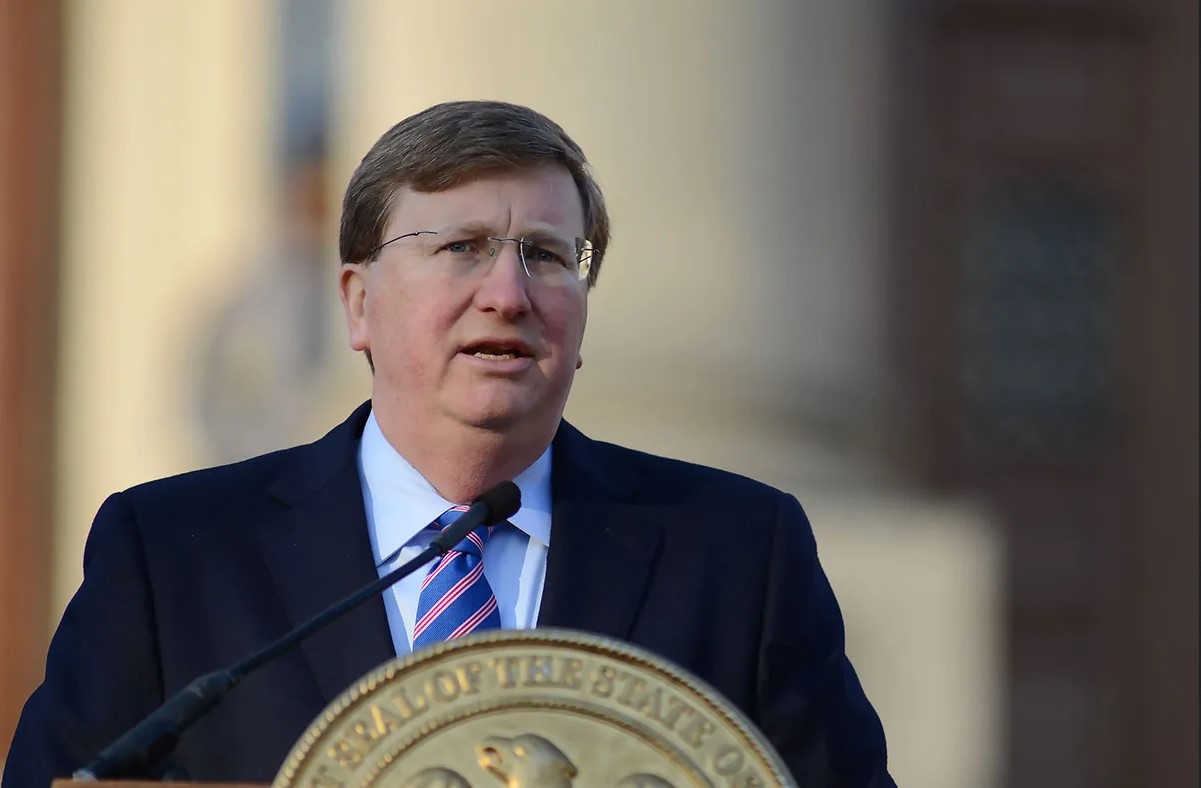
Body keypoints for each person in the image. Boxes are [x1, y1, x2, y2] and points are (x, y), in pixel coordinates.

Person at [4, 101, 894, 787]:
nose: (508, 293)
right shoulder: (175, 554)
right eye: (462, 247)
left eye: (547, 255)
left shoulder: (735, 550)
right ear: (358, 303)